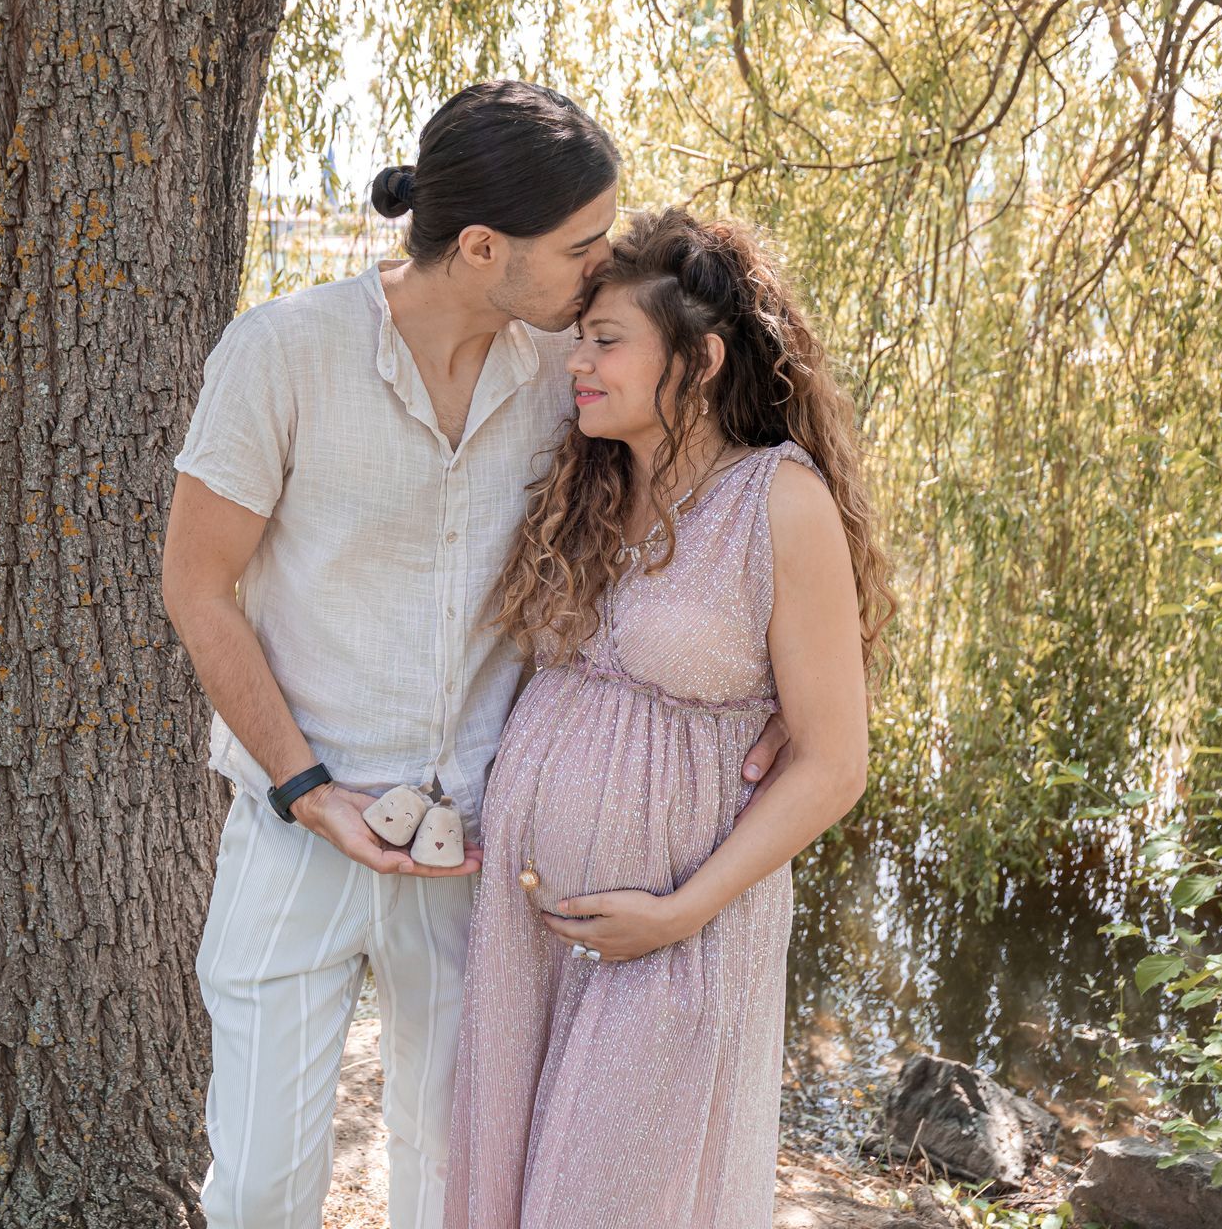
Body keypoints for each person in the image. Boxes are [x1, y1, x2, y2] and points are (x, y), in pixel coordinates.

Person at [160, 83, 789, 1228]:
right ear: (485, 245)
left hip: (482, 848)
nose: (600, 271)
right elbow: (196, 588)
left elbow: (734, 473)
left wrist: (791, 682)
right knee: (258, 1184)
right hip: (295, 826)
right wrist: (309, 789)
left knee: (453, 1172)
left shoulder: (570, 377)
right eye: (581, 246)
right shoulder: (280, 357)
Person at [445, 207, 895, 1228]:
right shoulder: (591, 486)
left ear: (697, 359)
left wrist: (682, 910)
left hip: (674, 934)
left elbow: (832, 762)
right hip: (530, 933)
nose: (579, 363)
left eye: (608, 341)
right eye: (579, 338)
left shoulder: (778, 502)